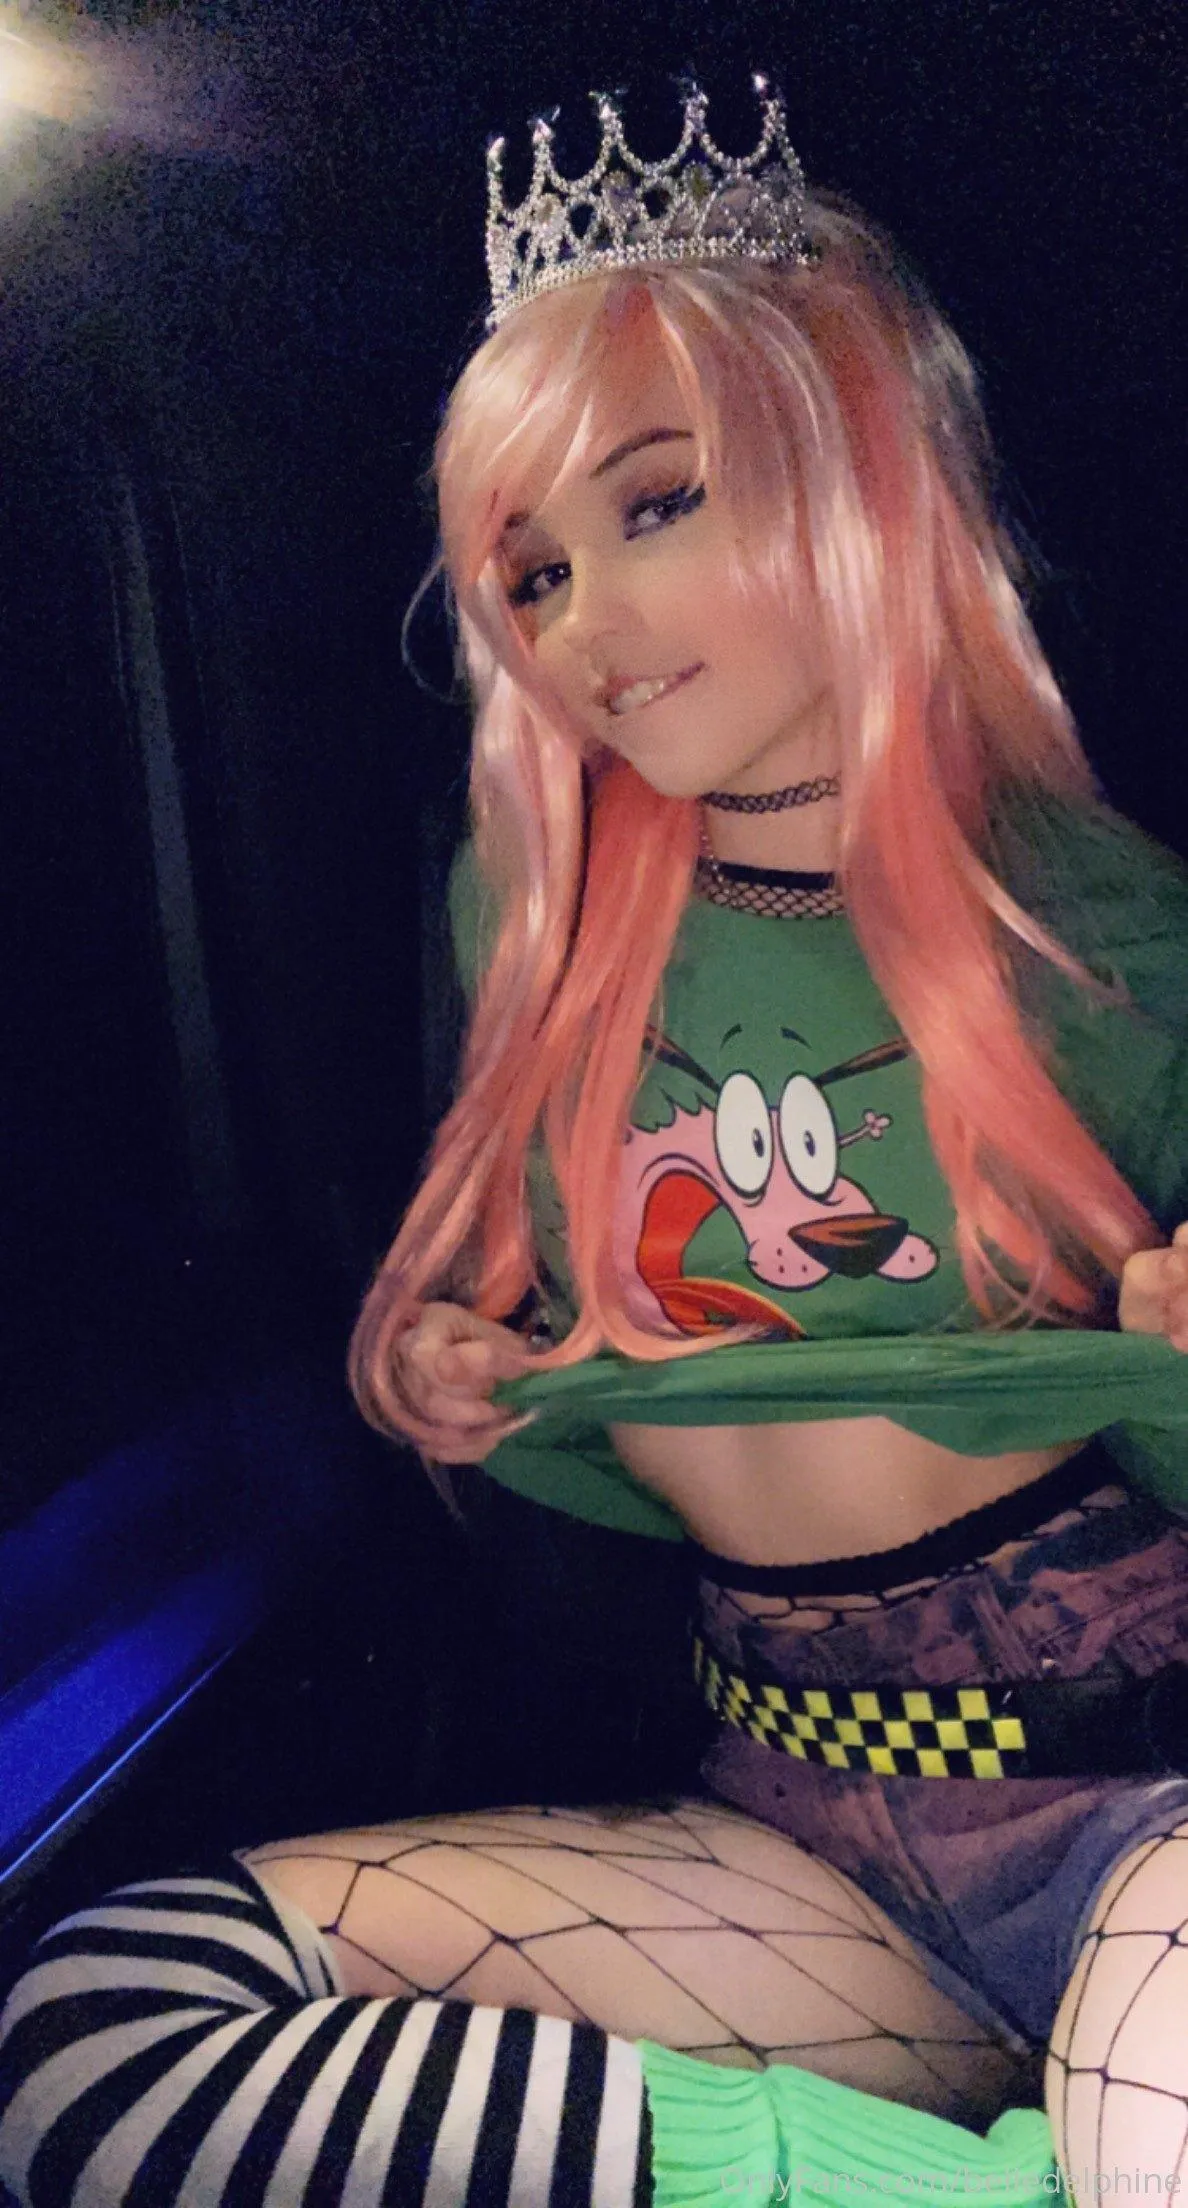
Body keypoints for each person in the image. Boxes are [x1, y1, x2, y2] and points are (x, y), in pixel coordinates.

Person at [3, 74, 1188, 2208]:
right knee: (92, 2039)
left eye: (660, 505)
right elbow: (613, 1409)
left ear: (868, 475)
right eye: (531, 570)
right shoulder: (542, 923)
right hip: (789, 1820)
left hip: (1132, 1792)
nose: (586, 628)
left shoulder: (1106, 928)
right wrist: (471, 1381)